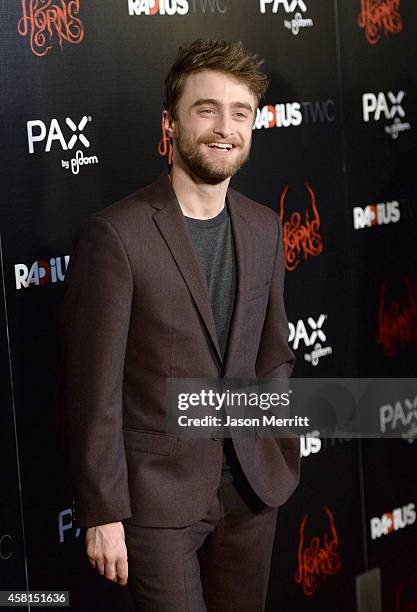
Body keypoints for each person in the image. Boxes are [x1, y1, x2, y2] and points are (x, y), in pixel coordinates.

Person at [59, 38, 300, 612]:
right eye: (207, 109)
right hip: (156, 504)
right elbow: (94, 390)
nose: (225, 127)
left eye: (240, 113)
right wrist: (103, 512)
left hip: (251, 491)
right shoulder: (116, 236)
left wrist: (278, 449)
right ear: (170, 124)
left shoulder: (265, 227)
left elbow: (272, 357)